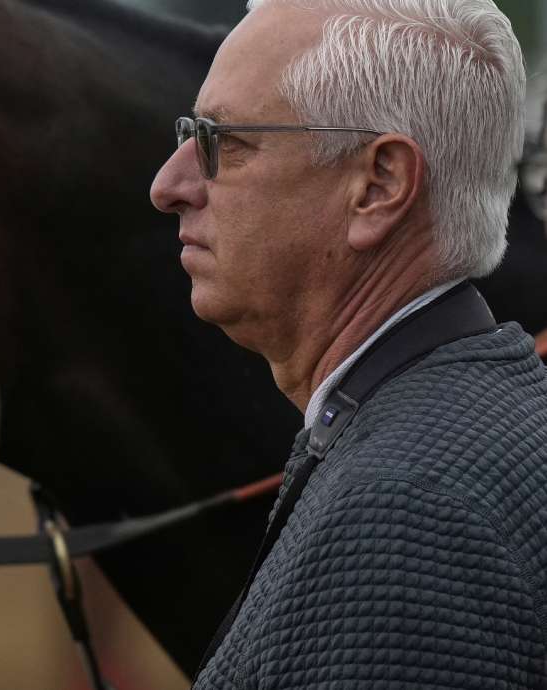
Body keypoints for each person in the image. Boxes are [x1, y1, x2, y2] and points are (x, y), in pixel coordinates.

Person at [150, 0, 547, 687]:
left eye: (223, 141)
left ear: (380, 185)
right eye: (190, 134)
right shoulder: (460, 435)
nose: (169, 186)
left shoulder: (407, 515)